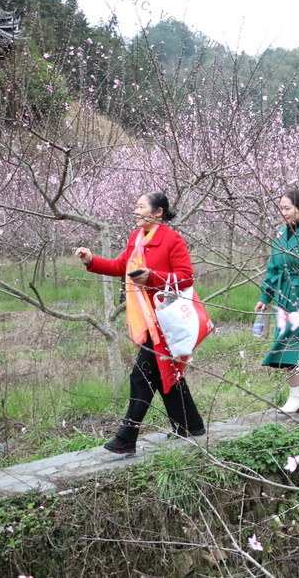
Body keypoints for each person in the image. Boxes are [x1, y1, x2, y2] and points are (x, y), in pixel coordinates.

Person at [75, 192, 205, 454]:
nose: (135, 210)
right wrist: (91, 260)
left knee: (141, 376)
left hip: (165, 319)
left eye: (140, 206)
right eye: (135, 206)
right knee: (167, 373)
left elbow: (186, 277)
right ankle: (191, 426)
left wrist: (153, 277)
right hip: (146, 320)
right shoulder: (136, 238)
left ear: (158, 213)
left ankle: (126, 438)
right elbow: (121, 266)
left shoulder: (172, 239)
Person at [255, 189, 299, 413]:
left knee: (290, 345)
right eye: (281, 207)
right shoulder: (281, 234)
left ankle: (296, 396)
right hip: (283, 297)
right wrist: (264, 297)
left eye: (287, 208)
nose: (283, 212)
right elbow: (273, 268)